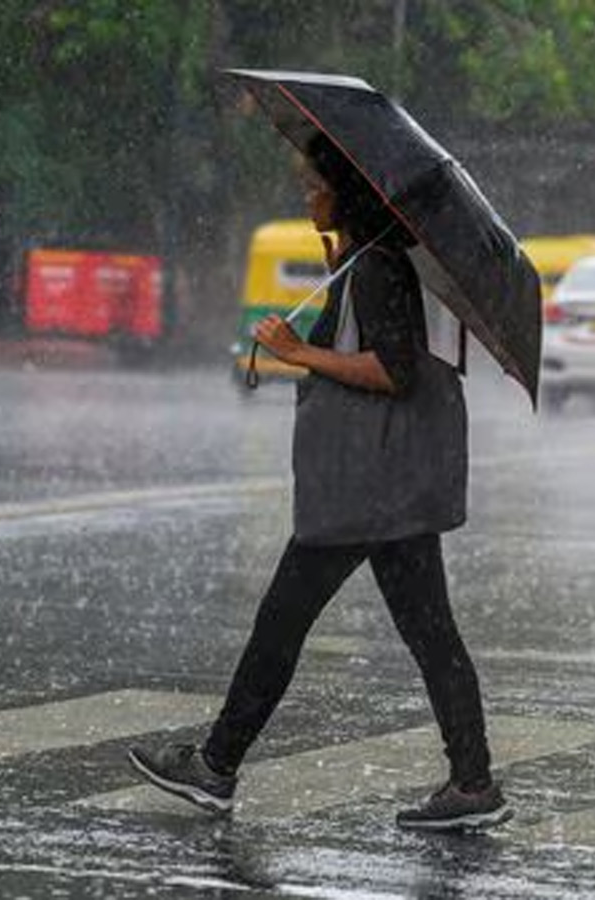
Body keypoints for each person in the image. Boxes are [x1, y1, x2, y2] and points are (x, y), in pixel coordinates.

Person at [127, 138, 509, 833]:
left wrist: (299, 352)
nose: (306, 200)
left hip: (367, 483)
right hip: (386, 484)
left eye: (313, 189)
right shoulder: (368, 262)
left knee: (284, 621)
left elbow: (394, 370)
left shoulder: (378, 269)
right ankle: (473, 782)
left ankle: (216, 767)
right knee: (428, 634)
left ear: (347, 195)